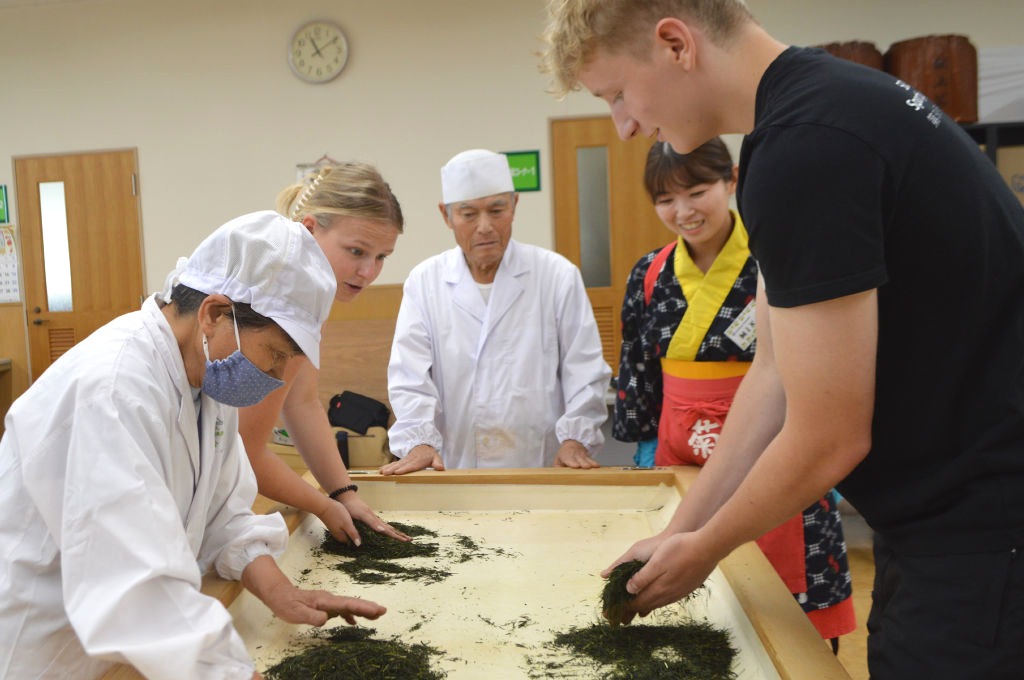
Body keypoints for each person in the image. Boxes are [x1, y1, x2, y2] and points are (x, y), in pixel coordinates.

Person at [541, 1, 1024, 677]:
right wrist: (679, 533)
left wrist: (707, 547)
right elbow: (772, 371)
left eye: (619, 93)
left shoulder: (809, 146)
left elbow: (830, 434)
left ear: (676, 44)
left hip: (985, 531)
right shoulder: (818, 110)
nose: (624, 126)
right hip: (943, 524)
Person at [0, 212, 386, 680]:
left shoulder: (205, 374)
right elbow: (136, 584)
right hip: (44, 651)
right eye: (278, 354)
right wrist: (229, 672)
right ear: (215, 314)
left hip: (126, 649)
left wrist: (281, 591)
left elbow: (224, 515)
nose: (278, 377)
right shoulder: (116, 388)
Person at [615, 137, 855, 646]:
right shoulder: (650, 272)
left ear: (732, 181)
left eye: (697, 191)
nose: (682, 212)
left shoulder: (775, 259)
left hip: (772, 449)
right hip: (679, 453)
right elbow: (637, 368)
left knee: (787, 630)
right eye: (664, 200)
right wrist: (641, 450)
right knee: (690, 610)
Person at [382, 148, 612, 474]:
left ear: (514, 206)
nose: (485, 226)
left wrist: (576, 438)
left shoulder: (556, 275)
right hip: (452, 467)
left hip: (542, 465)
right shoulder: (425, 281)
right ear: (446, 216)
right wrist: (419, 440)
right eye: (469, 214)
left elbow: (585, 370)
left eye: (496, 210)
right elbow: (410, 376)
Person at [239, 162, 410, 546]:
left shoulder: (309, 295)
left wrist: (343, 493)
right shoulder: (277, 297)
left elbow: (301, 402)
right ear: (311, 229)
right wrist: (323, 504)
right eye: (357, 251)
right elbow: (245, 452)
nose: (368, 271)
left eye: (382, 257)